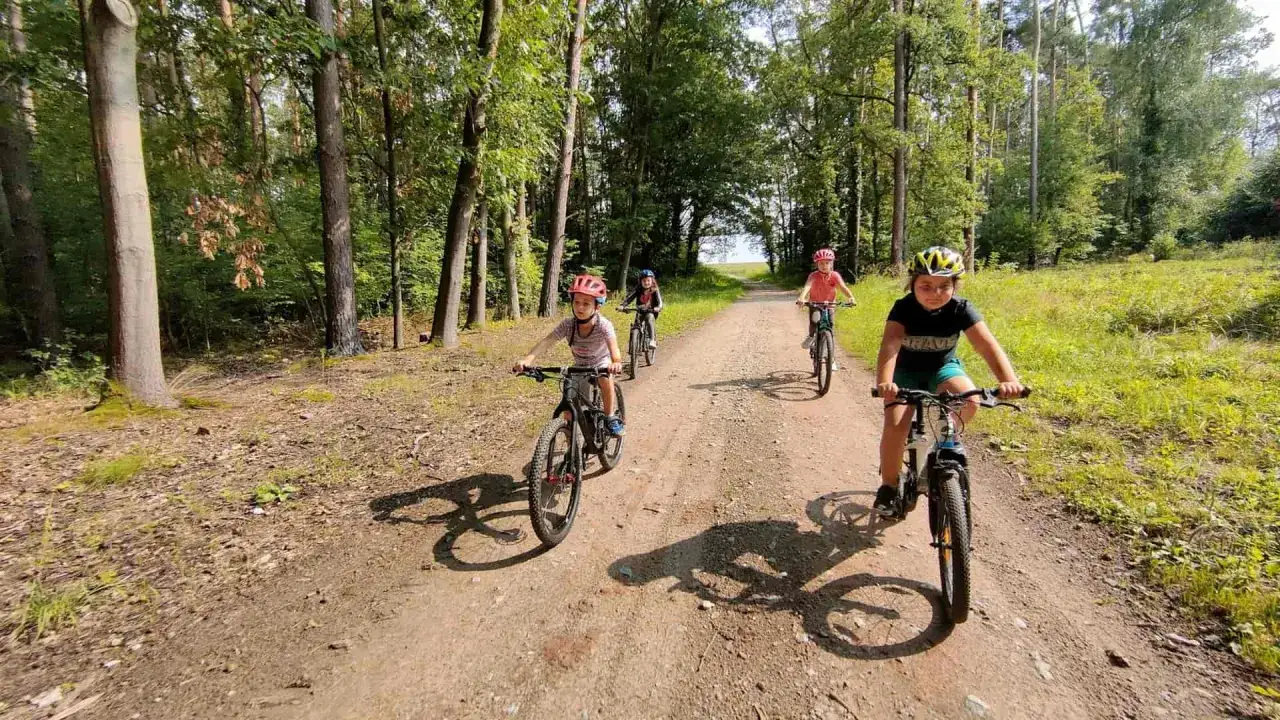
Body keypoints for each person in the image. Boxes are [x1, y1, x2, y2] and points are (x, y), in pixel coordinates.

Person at [872, 246, 1026, 516]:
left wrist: (1008, 380)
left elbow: (986, 345)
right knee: (896, 426)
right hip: (905, 372)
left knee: (971, 400)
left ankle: (944, 442)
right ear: (913, 285)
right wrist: (885, 381)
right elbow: (891, 343)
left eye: (944, 286)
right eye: (926, 286)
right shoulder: (904, 308)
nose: (935, 294)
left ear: (956, 285)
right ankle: (888, 486)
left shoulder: (961, 309)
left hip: (943, 368)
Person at [513, 274, 625, 436]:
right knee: (570, 409)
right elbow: (547, 341)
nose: (580, 307)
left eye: (586, 304)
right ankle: (571, 447)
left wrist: (616, 362)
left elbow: (614, 350)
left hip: (601, 362)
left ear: (597, 306)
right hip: (579, 365)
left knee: (605, 378)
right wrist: (527, 360)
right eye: (577, 302)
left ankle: (609, 417)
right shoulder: (568, 324)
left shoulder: (604, 325)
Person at [796, 248, 856, 349]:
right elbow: (808, 286)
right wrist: (802, 297)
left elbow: (842, 287)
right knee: (814, 322)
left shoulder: (835, 275)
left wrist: (851, 297)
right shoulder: (813, 275)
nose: (824, 266)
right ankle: (811, 337)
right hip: (815, 304)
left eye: (827, 263)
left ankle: (829, 347)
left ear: (831, 263)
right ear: (817, 264)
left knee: (831, 324)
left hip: (830, 304)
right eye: (821, 263)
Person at [620, 269, 663, 349]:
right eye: (644, 281)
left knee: (649, 318)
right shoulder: (638, 289)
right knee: (636, 324)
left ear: (652, 280)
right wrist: (623, 305)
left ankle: (652, 340)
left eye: (648, 280)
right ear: (640, 281)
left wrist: (658, 307)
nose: (646, 282)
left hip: (652, 311)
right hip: (640, 311)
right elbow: (630, 298)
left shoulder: (655, 290)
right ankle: (635, 345)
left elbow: (660, 302)